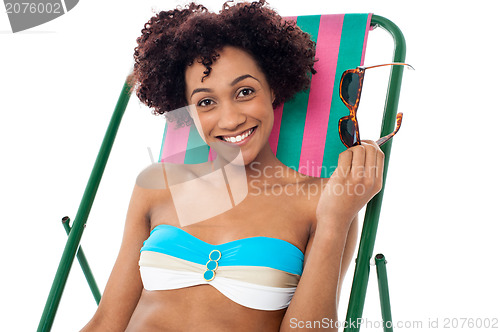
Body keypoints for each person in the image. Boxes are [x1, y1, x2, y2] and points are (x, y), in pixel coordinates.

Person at [82, 1, 384, 331]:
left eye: (244, 91)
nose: (230, 119)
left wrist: (334, 221)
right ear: (187, 109)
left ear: (272, 88)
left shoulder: (325, 201)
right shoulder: (157, 184)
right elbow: (106, 321)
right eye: (206, 102)